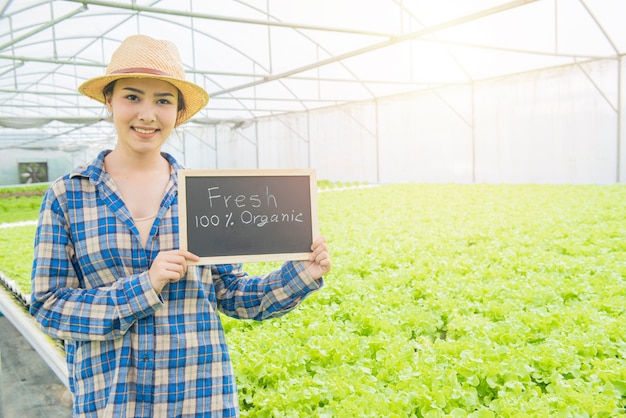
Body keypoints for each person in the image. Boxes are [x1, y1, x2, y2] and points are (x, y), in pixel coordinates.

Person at [30, 34, 330, 418]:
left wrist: (300, 274)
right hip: (113, 401)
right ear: (109, 100)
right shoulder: (69, 195)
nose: (147, 114)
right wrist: (145, 286)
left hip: (199, 396)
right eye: (132, 97)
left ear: (177, 111)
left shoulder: (202, 194)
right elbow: (49, 306)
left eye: (163, 101)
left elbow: (234, 294)